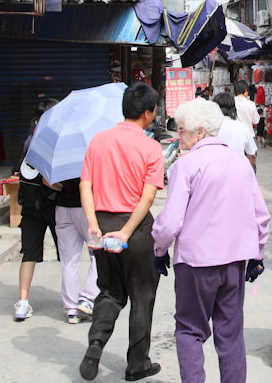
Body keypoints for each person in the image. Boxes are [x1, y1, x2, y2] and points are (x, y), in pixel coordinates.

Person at [152, 99, 270, 383]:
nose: (178, 136)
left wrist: (159, 249)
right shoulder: (240, 162)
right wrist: (257, 254)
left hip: (196, 263)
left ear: (201, 132)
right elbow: (260, 216)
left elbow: (170, 222)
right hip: (234, 262)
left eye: (181, 130)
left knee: (190, 330)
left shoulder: (186, 166)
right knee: (230, 333)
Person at [78, 82, 164, 381]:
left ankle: (96, 343)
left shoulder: (98, 140)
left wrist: (92, 224)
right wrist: (127, 231)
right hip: (136, 229)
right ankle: (137, 364)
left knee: (110, 291)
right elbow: (148, 197)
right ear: (148, 113)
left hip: (102, 224)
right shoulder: (151, 147)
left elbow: (85, 185)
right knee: (142, 296)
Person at [14, 98, 61, 321]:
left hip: (30, 207)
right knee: (68, 254)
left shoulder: (29, 140)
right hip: (51, 204)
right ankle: (74, 301)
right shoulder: (49, 142)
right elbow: (48, 181)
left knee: (29, 255)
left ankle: (22, 302)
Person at [55, 176, 99, 324]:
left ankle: (72, 308)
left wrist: (65, 188)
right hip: (86, 209)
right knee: (98, 255)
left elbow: (46, 181)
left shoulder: (60, 155)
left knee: (69, 261)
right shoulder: (89, 154)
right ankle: (88, 299)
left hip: (62, 208)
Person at [213, 91, 258, 168]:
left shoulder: (209, 129)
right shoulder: (242, 127)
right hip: (238, 170)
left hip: (216, 171)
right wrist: (250, 168)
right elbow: (252, 155)